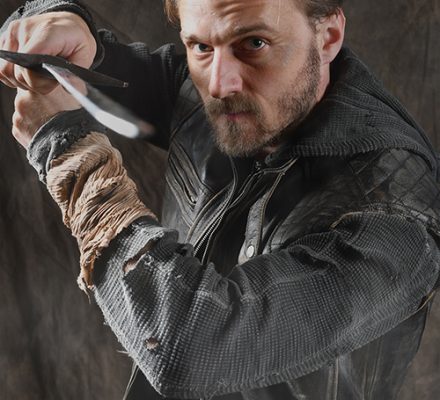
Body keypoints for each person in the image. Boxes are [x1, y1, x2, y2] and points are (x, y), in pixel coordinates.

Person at [1, 0, 439, 399]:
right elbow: (93, 61)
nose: (219, 84)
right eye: (200, 46)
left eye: (254, 43)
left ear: (328, 37)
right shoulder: (214, 87)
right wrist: (55, 25)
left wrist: (70, 155)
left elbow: (190, 348)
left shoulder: (395, 211)